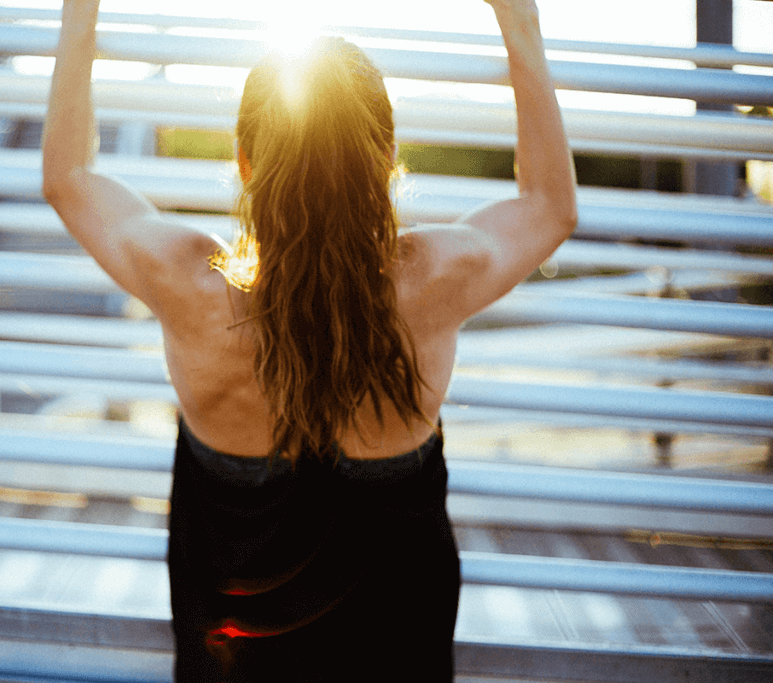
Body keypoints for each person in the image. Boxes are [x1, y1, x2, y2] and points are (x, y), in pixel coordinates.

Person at [43, 0, 576, 680]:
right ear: (386, 158)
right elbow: (550, 207)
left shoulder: (192, 285)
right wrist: (518, 22)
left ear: (242, 158)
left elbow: (69, 180)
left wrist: (81, 10)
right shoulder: (435, 279)